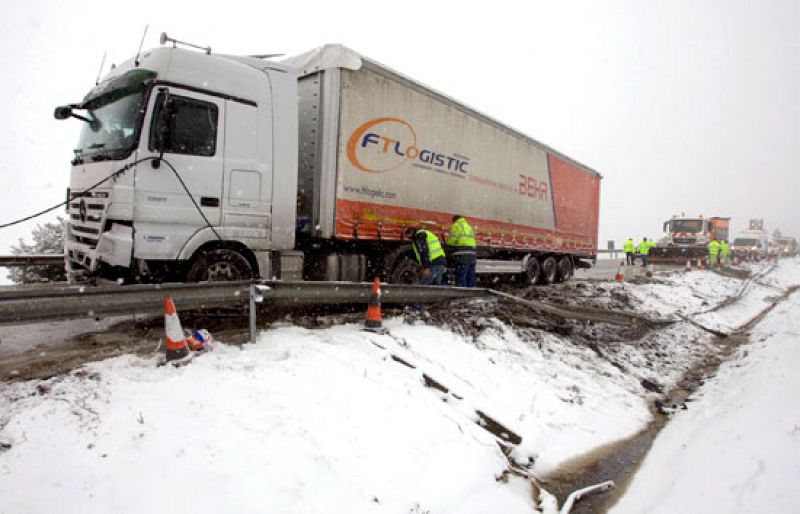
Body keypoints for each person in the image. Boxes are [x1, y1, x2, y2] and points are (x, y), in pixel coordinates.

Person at [446, 214, 477, 287]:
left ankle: (461, 292)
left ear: (454, 220)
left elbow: (452, 240)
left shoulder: (456, 226)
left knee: (461, 276)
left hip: (462, 253)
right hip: (472, 253)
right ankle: (472, 292)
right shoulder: (469, 226)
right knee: (471, 275)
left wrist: (448, 246)